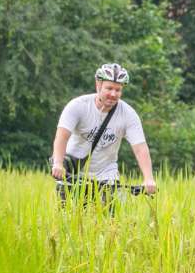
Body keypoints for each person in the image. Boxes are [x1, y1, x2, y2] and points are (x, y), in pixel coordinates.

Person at [49, 63, 157, 206]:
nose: (113, 94)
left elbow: (140, 148)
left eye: (118, 90)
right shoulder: (78, 106)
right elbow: (62, 137)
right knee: (69, 222)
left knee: (113, 222)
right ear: (98, 85)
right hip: (73, 175)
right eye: (109, 88)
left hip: (107, 176)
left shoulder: (128, 114)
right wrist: (58, 163)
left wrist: (148, 178)